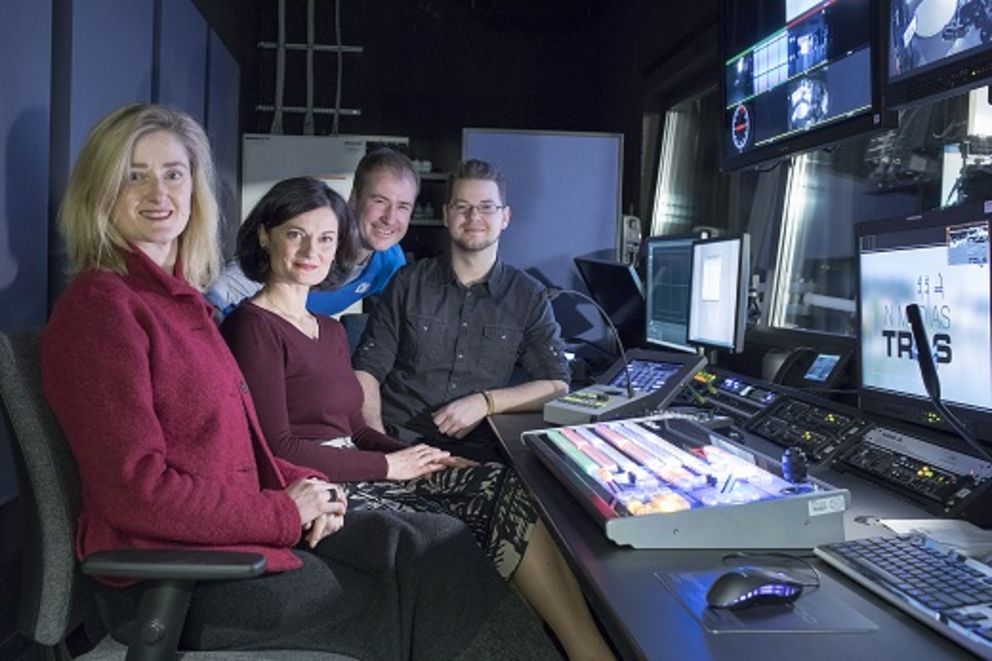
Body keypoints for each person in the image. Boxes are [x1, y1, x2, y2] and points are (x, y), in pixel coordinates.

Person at [40, 104, 554, 660]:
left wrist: (318, 491)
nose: (158, 192)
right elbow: (138, 493)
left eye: (173, 173)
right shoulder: (102, 309)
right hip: (181, 580)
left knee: (432, 540)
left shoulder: (181, 306)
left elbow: (250, 448)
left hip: (233, 539)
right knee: (423, 576)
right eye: (134, 175)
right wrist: (287, 509)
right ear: (100, 189)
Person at [220, 175, 615, 661]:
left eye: (325, 238)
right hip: (316, 486)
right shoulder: (252, 326)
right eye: (295, 235)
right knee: (461, 523)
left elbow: (357, 431)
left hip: (362, 467)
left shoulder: (326, 328)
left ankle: (580, 648)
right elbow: (277, 447)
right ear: (266, 236)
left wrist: (425, 458)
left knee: (497, 483)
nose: (311, 251)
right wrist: (392, 468)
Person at [353, 159, 570, 462]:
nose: (473, 217)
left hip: (474, 458)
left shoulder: (529, 296)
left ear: (505, 217)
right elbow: (367, 369)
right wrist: (376, 444)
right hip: (398, 445)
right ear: (445, 214)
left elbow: (557, 384)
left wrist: (486, 402)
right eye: (462, 207)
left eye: (486, 207)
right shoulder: (407, 281)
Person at [206, 147, 417, 318]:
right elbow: (224, 288)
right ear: (354, 199)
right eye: (379, 201)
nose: (390, 218)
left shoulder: (391, 262)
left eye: (403, 207)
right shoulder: (316, 243)